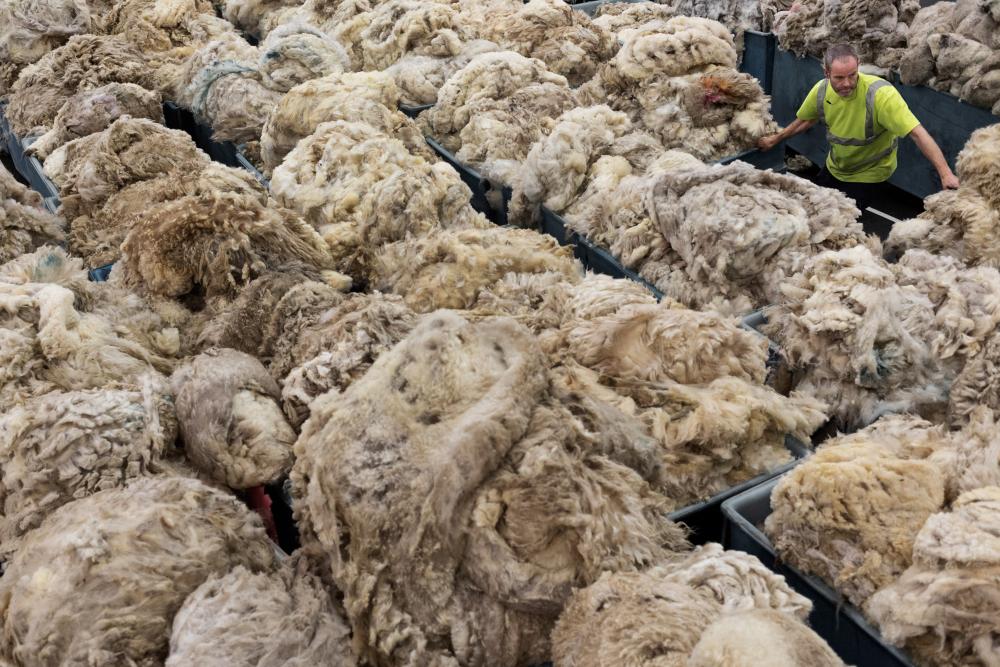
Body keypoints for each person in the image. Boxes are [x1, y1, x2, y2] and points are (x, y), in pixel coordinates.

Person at [757, 43, 959, 212]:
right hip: (836, 166)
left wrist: (945, 174)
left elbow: (917, 133)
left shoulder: (880, 95)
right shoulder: (821, 91)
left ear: (859, 67)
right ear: (826, 73)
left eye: (852, 75)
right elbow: (805, 120)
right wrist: (777, 138)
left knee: (841, 220)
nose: (847, 83)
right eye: (839, 78)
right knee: (813, 206)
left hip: (868, 174)